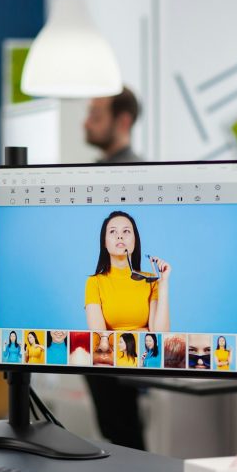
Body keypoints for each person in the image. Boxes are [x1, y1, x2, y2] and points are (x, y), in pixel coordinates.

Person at [83, 87, 150, 450]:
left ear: (122, 120)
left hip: (125, 323)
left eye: (96, 115)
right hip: (99, 312)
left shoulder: (136, 176)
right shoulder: (94, 175)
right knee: (112, 430)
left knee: (124, 433)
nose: (86, 123)